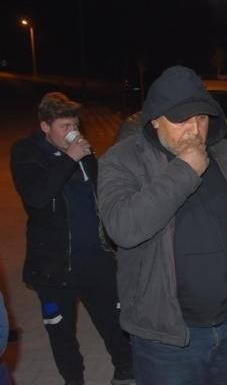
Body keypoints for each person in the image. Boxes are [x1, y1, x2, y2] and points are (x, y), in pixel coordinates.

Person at [97, 66, 227, 385]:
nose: (195, 130)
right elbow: (121, 227)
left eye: (202, 118)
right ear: (155, 119)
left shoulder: (220, 155)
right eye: (183, 119)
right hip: (168, 339)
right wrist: (184, 171)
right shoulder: (123, 161)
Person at [10, 92, 134, 385]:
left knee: (114, 323)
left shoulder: (83, 153)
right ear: (45, 126)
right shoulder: (26, 153)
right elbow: (37, 198)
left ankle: (126, 370)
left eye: (75, 125)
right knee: (62, 333)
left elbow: (99, 197)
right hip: (55, 266)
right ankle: (74, 380)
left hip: (97, 260)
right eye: (64, 126)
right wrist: (68, 159)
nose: (73, 133)